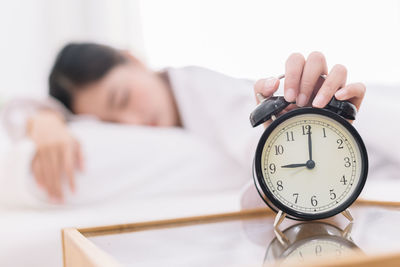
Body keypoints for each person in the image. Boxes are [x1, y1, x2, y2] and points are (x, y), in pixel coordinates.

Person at [1, 43, 366, 204]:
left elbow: (248, 135)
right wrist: (44, 119)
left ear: (132, 59)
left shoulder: (199, 87)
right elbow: (15, 109)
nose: (133, 123)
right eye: (112, 123)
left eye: (122, 99)